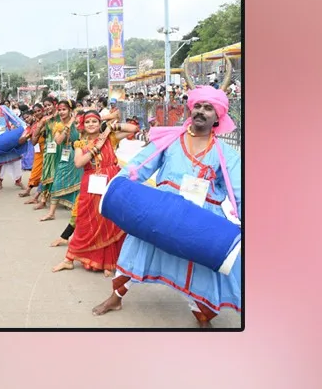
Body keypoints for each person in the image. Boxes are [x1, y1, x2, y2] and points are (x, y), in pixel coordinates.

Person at [94, 86, 241, 327]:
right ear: (190, 109)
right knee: (136, 250)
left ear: (218, 116)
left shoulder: (227, 154)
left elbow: (239, 191)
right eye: (198, 106)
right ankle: (116, 298)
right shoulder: (171, 140)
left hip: (199, 219)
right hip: (159, 212)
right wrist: (118, 191)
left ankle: (202, 316)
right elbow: (139, 167)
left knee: (202, 268)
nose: (201, 111)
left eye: (208, 108)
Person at [52, 109, 138, 272]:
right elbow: (79, 163)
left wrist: (111, 127)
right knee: (85, 221)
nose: (91, 124)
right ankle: (69, 259)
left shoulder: (110, 138)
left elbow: (133, 129)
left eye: (95, 121)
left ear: (100, 124)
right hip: (91, 184)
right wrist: (97, 146)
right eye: (88, 122)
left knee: (109, 221)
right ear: (83, 125)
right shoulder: (80, 144)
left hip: (111, 184)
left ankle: (107, 261)